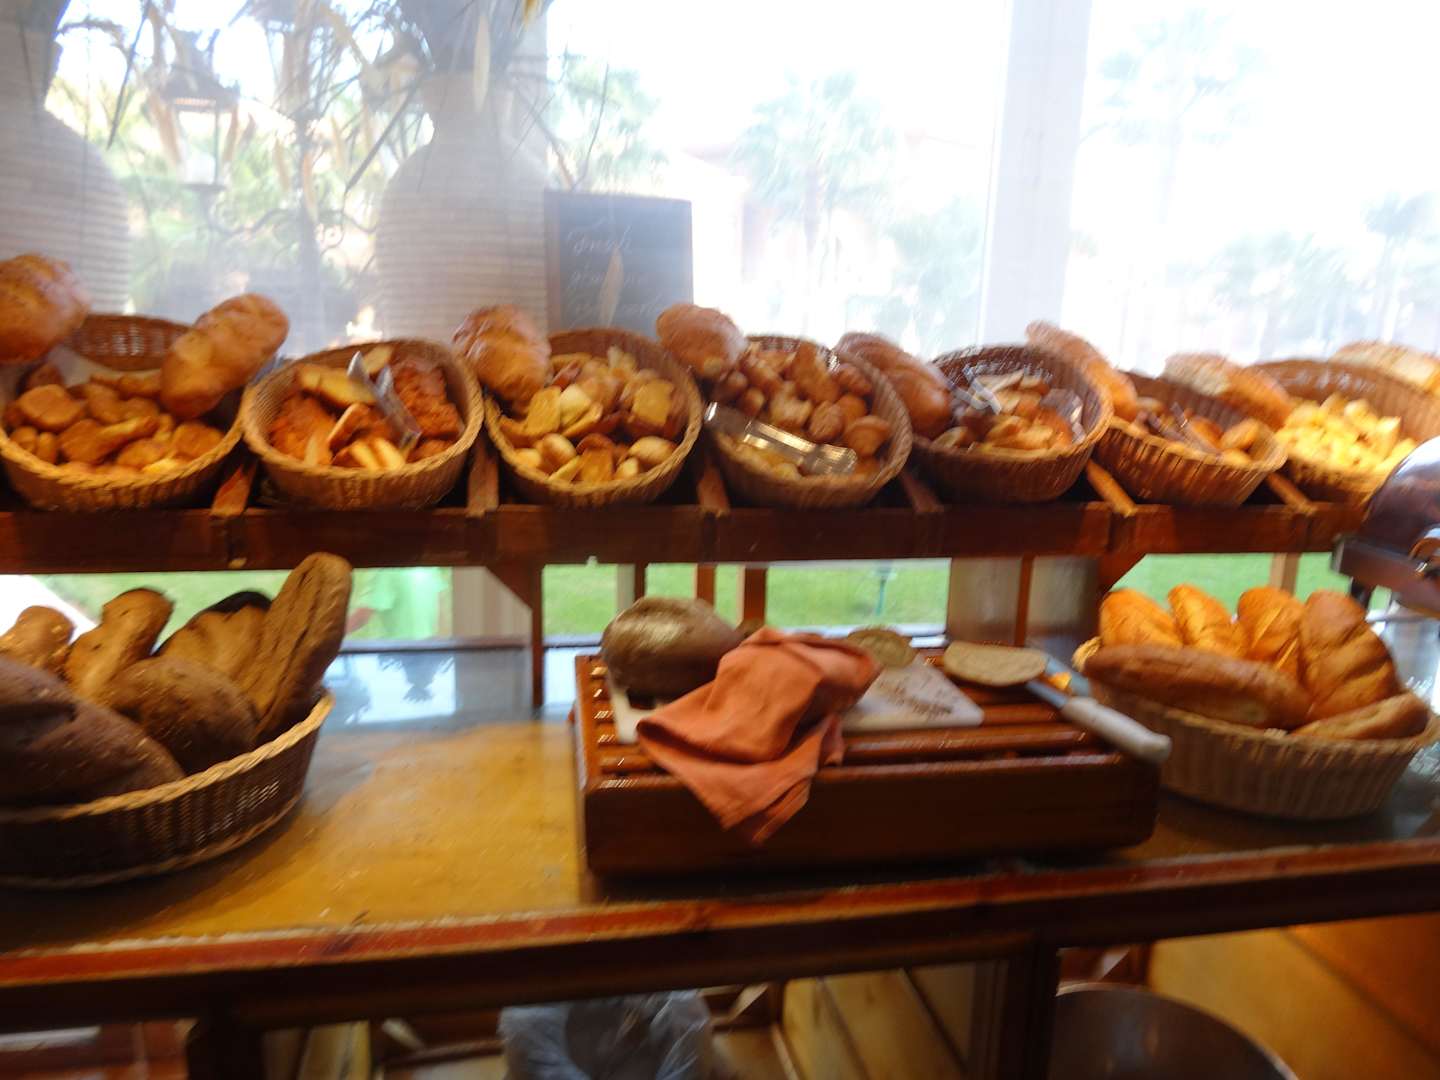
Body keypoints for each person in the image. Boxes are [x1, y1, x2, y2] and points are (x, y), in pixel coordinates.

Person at [345, 568, 451, 642]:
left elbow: (362, 617)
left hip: (400, 654)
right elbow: (441, 610)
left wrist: (337, 633)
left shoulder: (386, 572)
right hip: (428, 650)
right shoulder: (431, 569)